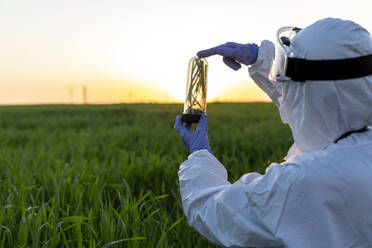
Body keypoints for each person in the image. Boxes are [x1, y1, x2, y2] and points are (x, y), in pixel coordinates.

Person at [174, 18, 372, 247]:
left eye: (284, 78)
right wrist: (261, 60)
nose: (282, 88)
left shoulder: (304, 182)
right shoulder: (354, 136)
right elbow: (324, 101)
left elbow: (213, 210)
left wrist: (199, 156)